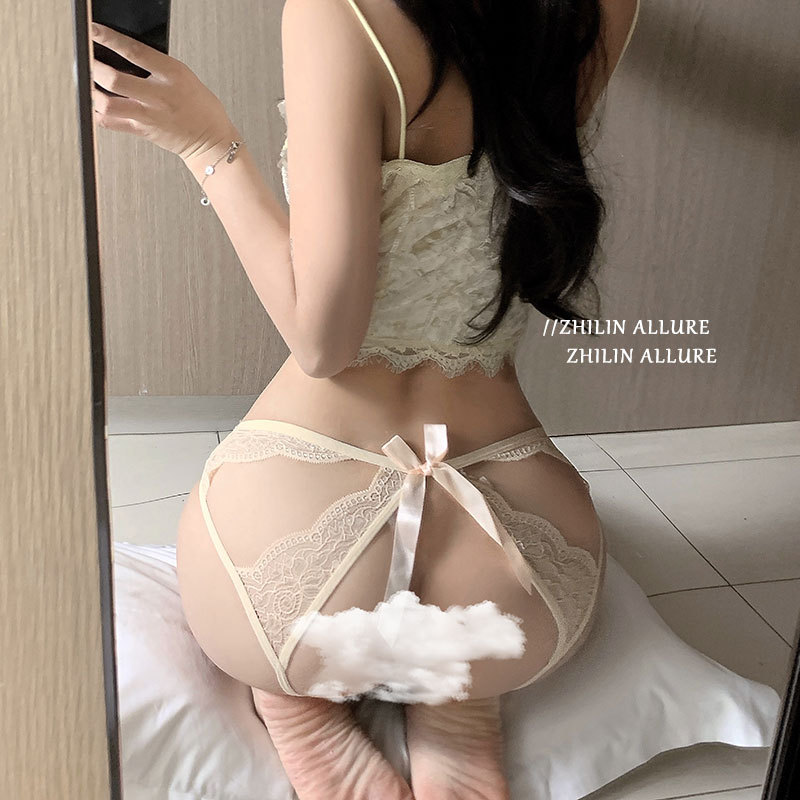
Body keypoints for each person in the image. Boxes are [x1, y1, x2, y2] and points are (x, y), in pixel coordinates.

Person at [92, 1, 640, 798]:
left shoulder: (337, 13)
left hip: (305, 572)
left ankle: (300, 703)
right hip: (521, 572)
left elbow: (325, 340)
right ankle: (456, 698)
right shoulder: (596, 8)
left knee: (269, 630)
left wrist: (208, 144)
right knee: (477, 633)